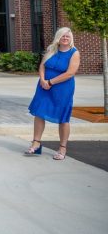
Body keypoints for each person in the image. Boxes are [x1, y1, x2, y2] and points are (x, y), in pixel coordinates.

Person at [25, 28, 81, 161]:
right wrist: (43, 80)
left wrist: (50, 82)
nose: (65, 38)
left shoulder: (74, 53)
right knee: (40, 113)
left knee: (63, 117)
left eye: (68, 36)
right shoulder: (52, 49)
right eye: (63, 36)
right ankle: (36, 143)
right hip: (44, 87)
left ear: (71, 38)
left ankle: (62, 148)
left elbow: (70, 73)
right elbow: (42, 66)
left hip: (62, 89)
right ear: (58, 37)